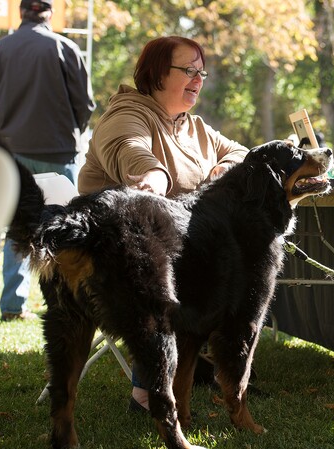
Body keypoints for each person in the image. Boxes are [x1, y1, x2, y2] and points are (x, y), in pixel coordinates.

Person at [77, 36, 249, 410]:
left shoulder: (194, 126)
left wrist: (224, 167)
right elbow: (131, 149)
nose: (198, 79)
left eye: (201, 72)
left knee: (244, 262)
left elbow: (240, 153)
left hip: (180, 247)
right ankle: (148, 391)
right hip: (112, 257)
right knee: (169, 270)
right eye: (188, 70)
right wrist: (152, 177)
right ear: (155, 73)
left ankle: (202, 362)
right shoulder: (126, 115)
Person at [0, 0, 95, 321]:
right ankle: (68, 302)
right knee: (67, 228)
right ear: (50, 13)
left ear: (21, 12)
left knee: (17, 230)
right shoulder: (66, 48)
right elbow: (85, 104)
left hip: (13, 155)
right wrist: (71, 134)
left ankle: (12, 305)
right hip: (58, 151)